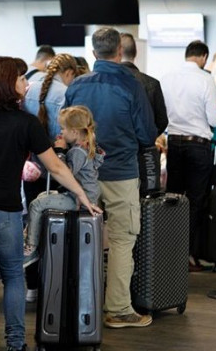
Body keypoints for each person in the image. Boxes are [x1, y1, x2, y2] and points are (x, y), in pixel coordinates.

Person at [0, 56, 100, 351]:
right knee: (13, 275)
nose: (27, 84)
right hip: (1, 208)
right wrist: (82, 195)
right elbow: (57, 167)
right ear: (8, 83)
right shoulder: (26, 123)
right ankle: (15, 343)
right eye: (22, 78)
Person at [65, 27, 157, 329]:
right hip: (121, 174)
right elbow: (146, 134)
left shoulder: (77, 86)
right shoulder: (132, 85)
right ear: (120, 52)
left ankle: (79, 306)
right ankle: (117, 309)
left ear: (94, 53)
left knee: (82, 240)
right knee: (121, 240)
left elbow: (68, 129)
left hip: (81, 175)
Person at [21, 52, 79, 302]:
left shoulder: (29, 90)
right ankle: (53, 285)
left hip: (30, 172)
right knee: (56, 229)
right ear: (68, 73)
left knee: (31, 228)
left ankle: (31, 286)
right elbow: (65, 140)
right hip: (55, 173)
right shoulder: (66, 96)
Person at [160, 40, 216, 271]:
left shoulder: (167, 78)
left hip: (174, 143)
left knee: (172, 199)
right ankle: (186, 256)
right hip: (198, 146)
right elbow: (215, 119)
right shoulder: (205, 79)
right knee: (195, 202)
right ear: (204, 57)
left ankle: (168, 252)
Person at [23, 105, 104, 266]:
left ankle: (30, 248)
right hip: (86, 195)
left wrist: (59, 151)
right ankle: (31, 234)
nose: (60, 133)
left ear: (74, 132)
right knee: (42, 197)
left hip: (79, 200)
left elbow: (65, 173)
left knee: (36, 204)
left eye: (63, 129)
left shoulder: (77, 152)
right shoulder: (87, 147)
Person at [120, 32, 168, 135]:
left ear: (117, 53)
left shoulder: (108, 82)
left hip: (115, 147)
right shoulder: (153, 84)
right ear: (136, 53)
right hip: (144, 148)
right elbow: (162, 122)